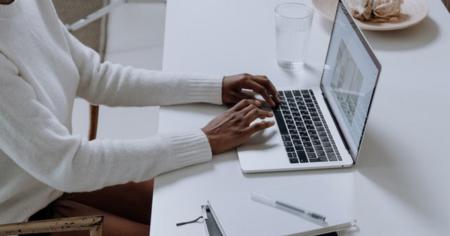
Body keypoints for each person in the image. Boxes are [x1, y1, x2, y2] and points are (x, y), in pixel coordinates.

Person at [0, 0, 280, 235]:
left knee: (200, 205)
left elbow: (96, 76)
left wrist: (213, 87)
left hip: (54, 183)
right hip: (22, 219)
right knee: (184, 228)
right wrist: (205, 139)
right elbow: (72, 165)